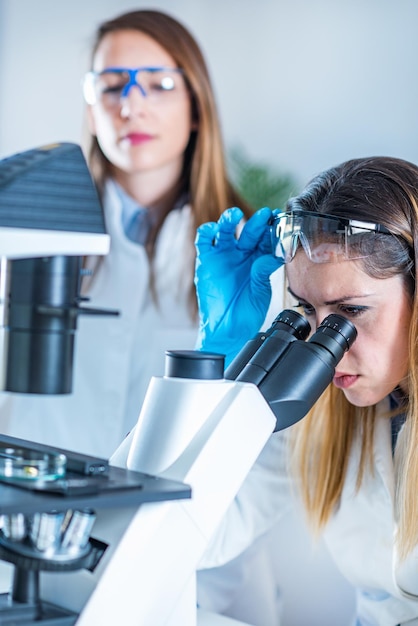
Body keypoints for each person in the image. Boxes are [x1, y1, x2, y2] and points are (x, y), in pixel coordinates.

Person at [0, 9, 284, 626]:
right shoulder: (27, 235)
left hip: (204, 574)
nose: (131, 105)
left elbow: (273, 454)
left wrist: (174, 540)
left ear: (197, 103)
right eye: (111, 84)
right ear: (91, 103)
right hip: (40, 557)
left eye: (157, 82)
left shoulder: (255, 256)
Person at [195, 155, 418, 625]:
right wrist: (210, 374)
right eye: (304, 309)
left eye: (350, 312)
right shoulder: (315, 413)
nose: (327, 345)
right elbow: (186, 534)